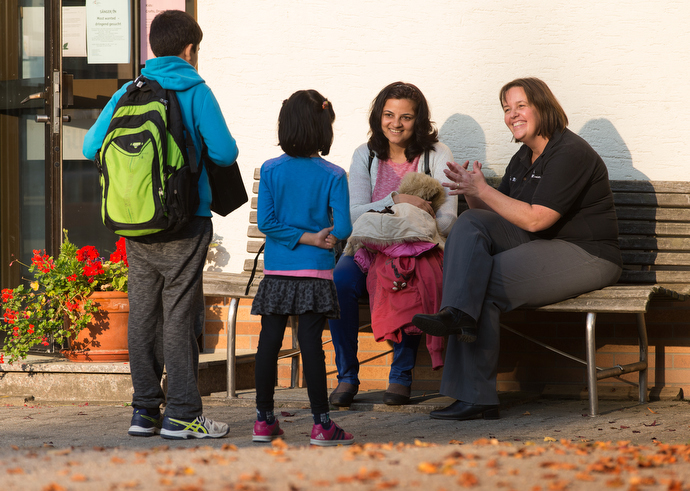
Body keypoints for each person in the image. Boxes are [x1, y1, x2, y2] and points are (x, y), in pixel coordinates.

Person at [412, 77, 623, 420]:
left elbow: (537, 220)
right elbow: (495, 218)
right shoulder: (524, 158)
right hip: (543, 245)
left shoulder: (570, 152)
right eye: (507, 109)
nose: (512, 115)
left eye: (520, 106)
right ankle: (456, 314)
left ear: (543, 106)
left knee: (483, 281)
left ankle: (476, 395)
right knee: (469, 223)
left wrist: (485, 187)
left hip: (588, 253)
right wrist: (471, 191)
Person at [82, 10, 238, 439]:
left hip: (136, 223)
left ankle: (144, 412)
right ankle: (184, 413)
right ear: (190, 49)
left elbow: (89, 145)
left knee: (144, 315)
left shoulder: (128, 91)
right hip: (184, 222)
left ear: (154, 46)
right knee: (179, 314)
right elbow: (225, 153)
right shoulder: (195, 89)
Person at [328, 82, 457, 407]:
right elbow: (355, 215)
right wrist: (399, 199)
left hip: (417, 249)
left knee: (408, 277)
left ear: (419, 120)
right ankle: (346, 376)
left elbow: (447, 219)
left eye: (406, 116)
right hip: (368, 247)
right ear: (378, 116)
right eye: (388, 114)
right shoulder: (365, 154)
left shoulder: (436, 155)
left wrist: (412, 227)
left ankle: (401, 374)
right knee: (338, 283)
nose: (396, 123)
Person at [251, 90, 355, 446]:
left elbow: (267, 222)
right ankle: (322, 425)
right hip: (315, 273)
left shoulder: (270, 169)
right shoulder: (334, 174)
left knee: (268, 341)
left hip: (278, 271)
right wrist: (315, 238)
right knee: (311, 344)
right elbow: (342, 230)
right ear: (324, 128)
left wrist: (298, 237)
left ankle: (264, 421)